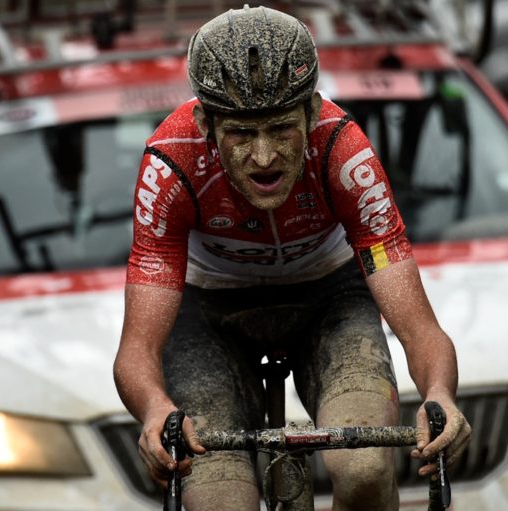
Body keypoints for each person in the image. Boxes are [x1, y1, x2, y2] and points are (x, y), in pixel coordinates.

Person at [113, 5, 471, 511]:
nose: (263, 157)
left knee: (366, 469)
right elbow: (136, 348)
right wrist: (154, 410)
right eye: (240, 133)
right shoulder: (172, 163)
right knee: (219, 500)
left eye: (281, 129)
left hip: (329, 297)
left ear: (310, 113)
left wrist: (440, 394)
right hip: (210, 313)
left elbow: (419, 328)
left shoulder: (342, 150)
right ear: (204, 122)